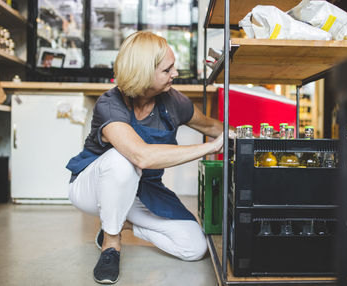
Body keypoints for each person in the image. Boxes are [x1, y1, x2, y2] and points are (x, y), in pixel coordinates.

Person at [66, 31, 228, 284]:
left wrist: (247, 135)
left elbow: (211, 128)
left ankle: (121, 224)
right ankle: (111, 244)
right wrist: (208, 149)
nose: (175, 74)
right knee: (123, 160)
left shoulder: (174, 101)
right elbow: (140, 156)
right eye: (167, 70)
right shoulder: (110, 105)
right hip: (92, 188)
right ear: (143, 72)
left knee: (194, 247)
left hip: (144, 189)